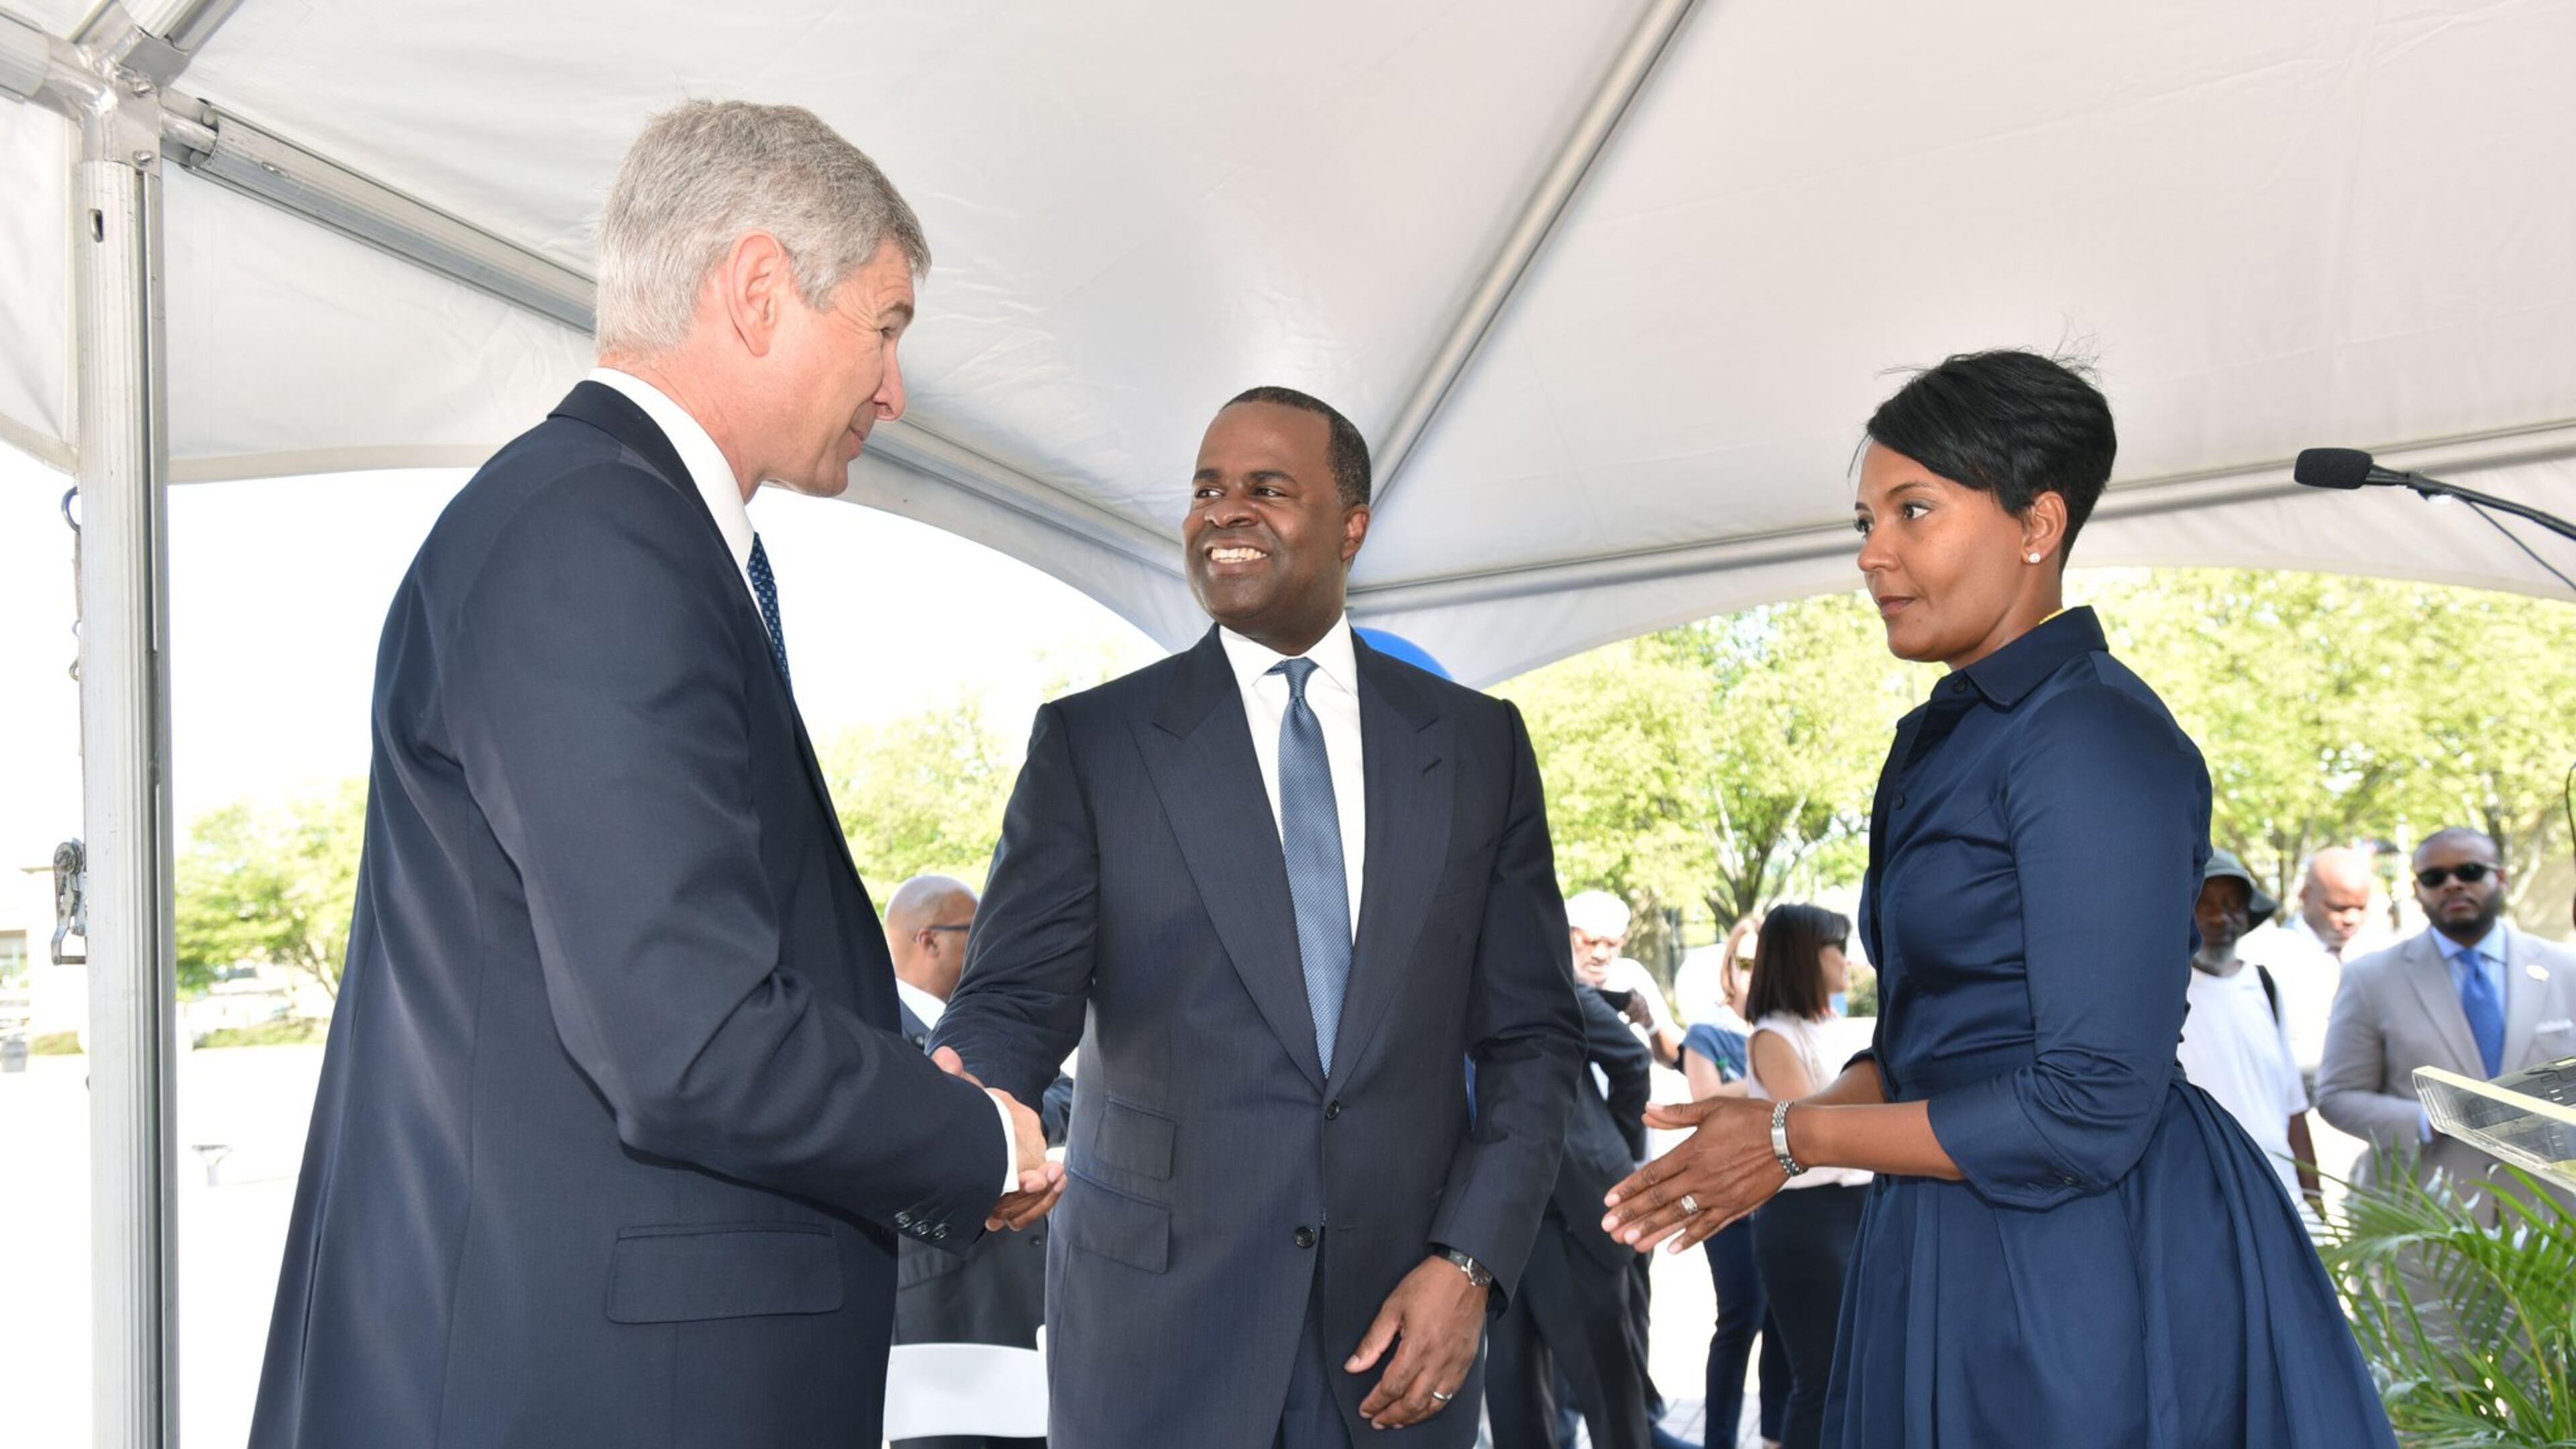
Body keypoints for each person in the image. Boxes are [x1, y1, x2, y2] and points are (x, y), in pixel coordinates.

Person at [248, 103, 1059, 1449]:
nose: (899, 391)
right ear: (756, 291)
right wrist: (976, 1140)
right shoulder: (597, 534)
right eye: (888, 326)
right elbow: (690, 1035)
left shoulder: (613, 526)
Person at [1601, 350, 2396, 1447]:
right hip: (1947, 1223)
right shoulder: (1936, 740)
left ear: (2038, 524)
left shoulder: (2093, 737)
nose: (1874, 553)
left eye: (1913, 512)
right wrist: (1778, 1122)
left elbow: (2091, 1105)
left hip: (2087, 1256)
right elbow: (1933, 1037)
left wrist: (1796, 1138)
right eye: (1865, 521)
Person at [930, 386, 1584, 1448]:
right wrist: (970, 1108)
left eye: (1266, 489)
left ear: (1352, 527)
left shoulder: (1478, 748)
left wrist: (1470, 1263)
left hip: (1396, 1342)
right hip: (1155, 1340)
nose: (1223, 513)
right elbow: (1012, 999)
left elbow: (1533, 1041)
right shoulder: (1095, 746)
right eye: (1205, 491)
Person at [885, 875, 1066, 1449]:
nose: (993, 946)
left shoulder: (1003, 1031)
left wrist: (992, 1109)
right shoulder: (874, 1028)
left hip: (1021, 1296)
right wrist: (992, 1118)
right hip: (936, 1304)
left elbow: (1065, 1094)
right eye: (977, 932)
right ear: (930, 940)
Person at [2317, 826, 2576, 1220]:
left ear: (2500, 877)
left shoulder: (2565, 969)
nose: (2453, 885)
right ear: (2418, 890)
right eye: (2434, 878)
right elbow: (2337, 1096)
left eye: (2470, 871)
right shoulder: (2370, 979)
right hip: (2432, 1229)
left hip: (2552, 1221)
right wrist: (2432, 1121)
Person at [1487, 983, 1656, 1449]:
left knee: (1611, 1403)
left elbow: (1632, 1060)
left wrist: (1611, 1149)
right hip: (1484, 1226)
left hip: (1572, 1217)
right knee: (1511, 1403)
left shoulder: (1551, 982)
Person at [1738, 905, 1870, 1449]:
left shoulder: (1828, 1026)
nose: (1846, 959)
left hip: (1853, 1207)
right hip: (1808, 1218)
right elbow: (1811, 1131)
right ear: (1805, 956)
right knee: (1821, 1379)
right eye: (1836, 946)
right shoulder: (1774, 1035)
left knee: (1849, 1372)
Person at [1678, 929, 1787, 1449]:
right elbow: (1705, 1103)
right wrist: (1765, 1073)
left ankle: (1774, 1436)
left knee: (1781, 1326)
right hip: (1725, 1201)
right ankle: (1718, 1440)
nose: (1754, 970)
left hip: (1782, 1203)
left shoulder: (1787, 1026)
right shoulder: (1708, 1030)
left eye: (1765, 959)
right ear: (1729, 966)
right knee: (1740, 1316)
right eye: (1744, 959)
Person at [2176, 851, 2323, 1218]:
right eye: (2204, 904)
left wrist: (2314, 1199)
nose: (2219, 916)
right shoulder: (2168, 993)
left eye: (2232, 904)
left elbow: (2292, 1107)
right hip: (2205, 1199)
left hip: (2283, 1194)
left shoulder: (2264, 984)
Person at [2237, 845, 2390, 1081]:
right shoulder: (2263, 956)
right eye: (2338, 908)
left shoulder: (2379, 951)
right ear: (2306, 896)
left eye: (2360, 908)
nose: (2351, 919)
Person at [1568, 889, 1686, 1066]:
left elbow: (1673, 1056)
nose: (1601, 954)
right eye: (1590, 942)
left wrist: (1650, 1024)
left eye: (1612, 944)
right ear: (1569, 936)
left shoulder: (1631, 976)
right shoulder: (1556, 983)